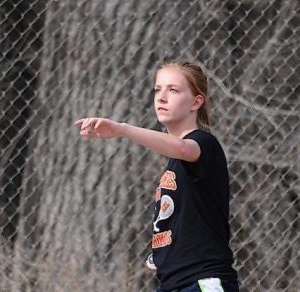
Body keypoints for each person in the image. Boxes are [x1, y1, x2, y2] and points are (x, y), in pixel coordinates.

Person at [74, 61, 239, 291]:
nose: (161, 97)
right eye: (157, 89)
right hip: (172, 283)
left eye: (173, 90)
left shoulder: (203, 144)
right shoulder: (173, 162)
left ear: (196, 101)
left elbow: (183, 148)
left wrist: (122, 129)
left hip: (203, 282)